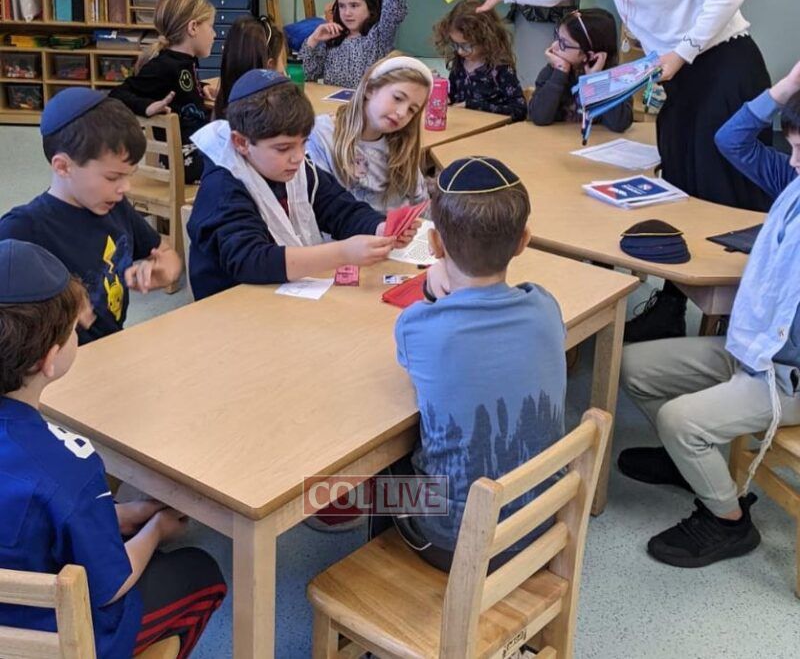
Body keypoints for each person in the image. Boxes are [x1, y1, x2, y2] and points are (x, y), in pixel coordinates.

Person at [478, 0, 771, 342]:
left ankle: (738, 314)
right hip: (682, 74)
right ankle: (672, 303)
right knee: (681, 180)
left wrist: (680, 52)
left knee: (720, 185)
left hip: (723, 69)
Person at [0, 239, 226, 658]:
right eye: (74, 329)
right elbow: (111, 585)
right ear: (50, 359)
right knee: (202, 572)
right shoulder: (70, 463)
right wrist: (155, 531)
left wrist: (126, 514)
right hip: (56, 639)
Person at [385, 156, 567, 572]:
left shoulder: (416, 326)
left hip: (453, 540)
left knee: (372, 476)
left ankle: (397, 588)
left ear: (434, 245)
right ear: (523, 241)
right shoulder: (545, 305)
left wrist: (431, 290)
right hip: (539, 519)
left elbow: (423, 370)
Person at [618, 159, 800, 568]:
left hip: (787, 378)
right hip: (754, 352)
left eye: (799, 148)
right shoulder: (795, 194)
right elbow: (733, 140)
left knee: (680, 421)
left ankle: (729, 521)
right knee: (632, 365)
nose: (792, 160)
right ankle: (691, 464)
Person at [187, 69, 419, 300]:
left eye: (303, 143)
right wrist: (342, 253)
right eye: (283, 148)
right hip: (232, 304)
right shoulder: (222, 187)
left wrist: (378, 228)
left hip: (281, 295)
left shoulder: (292, 167)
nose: (298, 157)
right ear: (241, 142)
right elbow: (251, 260)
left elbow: (339, 207)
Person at [0, 88, 182, 344]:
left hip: (111, 347)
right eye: (113, 177)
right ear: (63, 166)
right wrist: (58, 311)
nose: (125, 187)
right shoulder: (21, 229)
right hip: (59, 362)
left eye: (128, 175)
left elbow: (165, 252)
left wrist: (167, 270)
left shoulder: (115, 206)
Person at [110, 0, 216, 183]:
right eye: (211, 27)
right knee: (246, 159)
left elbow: (180, 87)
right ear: (193, 28)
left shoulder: (183, 62)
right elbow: (117, 94)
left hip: (197, 148)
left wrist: (201, 87)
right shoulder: (163, 66)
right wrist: (146, 106)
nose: (214, 34)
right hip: (187, 160)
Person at [306, 56, 431, 212]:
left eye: (412, 110)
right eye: (398, 98)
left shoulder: (402, 147)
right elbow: (318, 204)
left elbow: (421, 206)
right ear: (370, 89)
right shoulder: (322, 134)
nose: (402, 113)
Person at [298, 0, 416, 88]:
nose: (347, 13)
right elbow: (305, 76)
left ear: (370, 7)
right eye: (342, 6)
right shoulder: (333, 39)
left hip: (366, 101)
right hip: (332, 101)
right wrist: (313, 39)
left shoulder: (379, 36)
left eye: (354, 6)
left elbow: (393, 7)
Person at [529, 7, 632, 132]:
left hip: (595, 142)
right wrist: (560, 72)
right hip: (556, 141)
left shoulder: (617, 77)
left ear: (589, 55)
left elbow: (619, 123)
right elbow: (538, 117)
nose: (554, 46)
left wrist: (596, 80)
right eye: (557, 37)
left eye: (563, 43)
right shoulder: (553, 71)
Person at [714, 57, 800, 200]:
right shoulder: (790, 176)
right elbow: (731, 141)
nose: (793, 161)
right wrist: (790, 84)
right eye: (793, 147)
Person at [432, 0, 526, 121]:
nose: (460, 51)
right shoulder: (460, 62)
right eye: (455, 44)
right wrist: (442, 94)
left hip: (492, 130)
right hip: (464, 126)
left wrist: (472, 106)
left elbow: (520, 110)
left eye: (466, 45)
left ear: (486, 39)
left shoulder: (500, 68)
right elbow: (453, 97)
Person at [213, 14, 286, 120]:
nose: (284, 70)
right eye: (282, 60)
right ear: (270, 67)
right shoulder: (277, 120)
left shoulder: (219, 110)